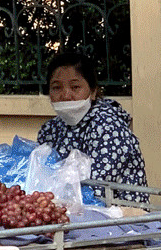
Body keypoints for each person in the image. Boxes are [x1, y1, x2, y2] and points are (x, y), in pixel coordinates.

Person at [37, 52, 148, 203]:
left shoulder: (108, 126)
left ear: (93, 91)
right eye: (57, 88)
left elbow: (96, 190)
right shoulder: (50, 130)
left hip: (118, 217)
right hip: (70, 211)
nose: (66, 95)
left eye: (75, 87)